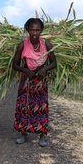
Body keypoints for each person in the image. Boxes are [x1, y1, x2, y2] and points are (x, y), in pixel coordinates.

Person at [12, 18, 57, 147]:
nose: (34, 33)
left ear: (41, 30)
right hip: (26, 80)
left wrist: (45, 68)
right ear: (27, 30)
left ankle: (42, 135)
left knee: (41, 108)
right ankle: (23, 133)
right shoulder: (22, 45)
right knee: (24, 107)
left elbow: (54, 63)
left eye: (37, 30)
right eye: (32, 29)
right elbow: (14, 65)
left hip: (40, 82)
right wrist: (25, 70)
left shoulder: (46, 44)